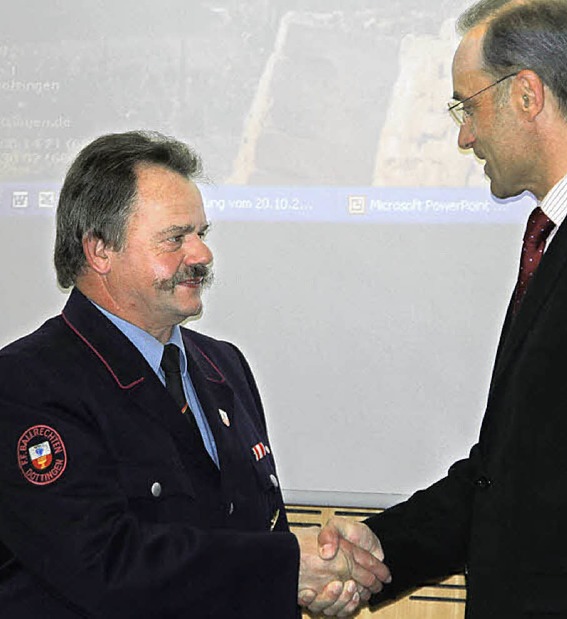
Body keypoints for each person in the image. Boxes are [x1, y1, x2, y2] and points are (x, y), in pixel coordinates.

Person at [306, 0, 567, 617]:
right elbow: (514, 472)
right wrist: (382, 547)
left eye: (468, 104)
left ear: (527, 95)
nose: (464, 134)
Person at [0, 130, 390, 617]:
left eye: (201, 234)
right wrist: (287, 568)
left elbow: (256, 531)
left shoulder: (223, 365)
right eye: (175, 238)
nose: (201, 255)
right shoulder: (26, 385)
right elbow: (104, 566)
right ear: (100, 249)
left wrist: (310, 581)